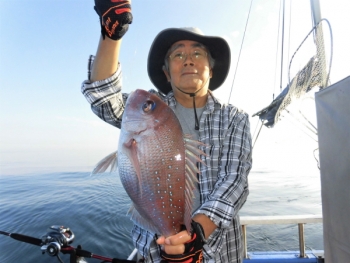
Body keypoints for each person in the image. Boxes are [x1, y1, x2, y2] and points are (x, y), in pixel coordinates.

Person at [82, 1, 252, 262]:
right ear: (166, 71)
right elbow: (104, 99)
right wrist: (112, 35)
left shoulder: (235, 118)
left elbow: (234, 181)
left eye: (198, 53)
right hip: (155, 250)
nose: (188, 61)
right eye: (178, 55)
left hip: (222, 253)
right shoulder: (149, 108)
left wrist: (196, 234)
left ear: (211, 67)